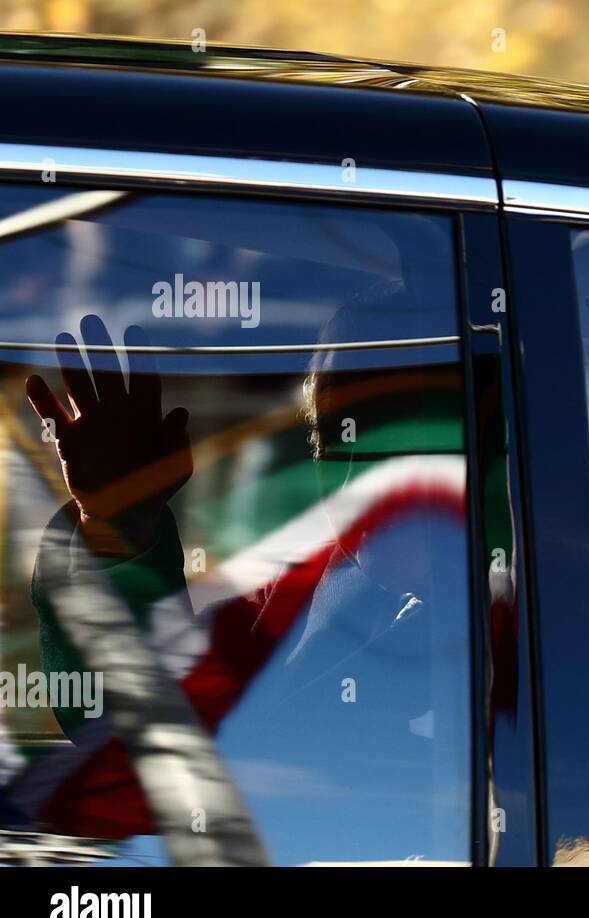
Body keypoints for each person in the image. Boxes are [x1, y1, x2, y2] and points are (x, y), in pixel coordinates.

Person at [18, 290, 472, 863]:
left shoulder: (569, 630)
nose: (356, 479)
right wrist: (117, 526)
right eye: (333, 440)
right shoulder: (294, 595)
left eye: (391, 440)